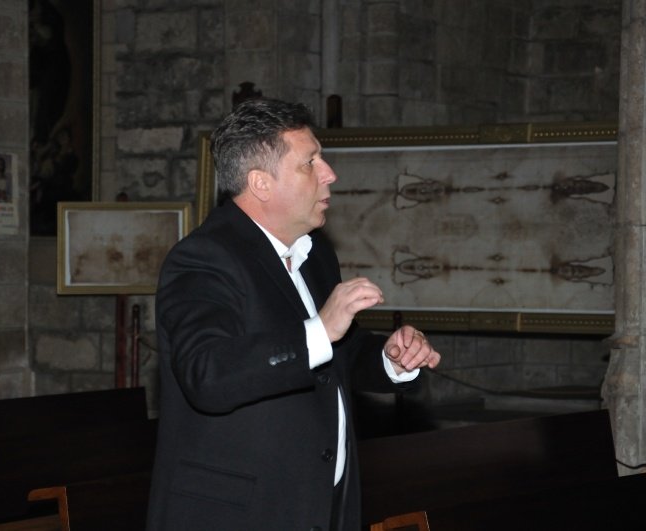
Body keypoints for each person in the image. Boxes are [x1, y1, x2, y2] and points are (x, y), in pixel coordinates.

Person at [146, 98, 441, 531]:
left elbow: (336, 353)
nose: (329, 173)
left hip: (319, 507)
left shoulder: (314, 254)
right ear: (261, 183)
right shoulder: (204, 258)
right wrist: (319, 329)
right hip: (240, 517)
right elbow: (207, 375)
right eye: (310, 162)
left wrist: (391, 359)